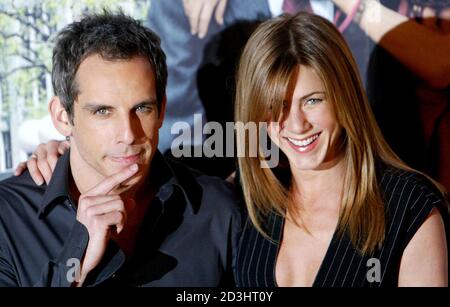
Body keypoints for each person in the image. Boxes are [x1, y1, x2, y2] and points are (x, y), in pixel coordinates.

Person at [0, 12, 241, 287]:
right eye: (103, 111)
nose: (128, 135)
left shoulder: (217, 210)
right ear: (62, 116)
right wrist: (74, 263)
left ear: (162, 110)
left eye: (142, 108)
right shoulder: (8, 218)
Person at [233, 12, 448, 286]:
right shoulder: (248, 202)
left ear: (344, 96)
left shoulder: (409, 206)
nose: (297, 125)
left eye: (312, 101)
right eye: (277, 106)